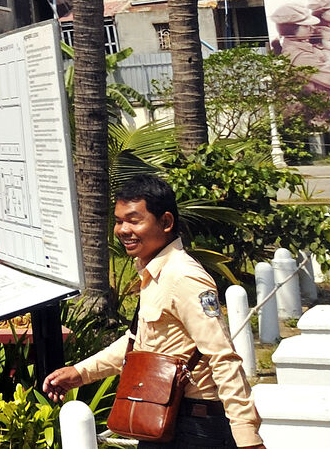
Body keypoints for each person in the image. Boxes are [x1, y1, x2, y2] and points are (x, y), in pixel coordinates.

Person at [44, 175, 263, 449]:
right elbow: (138, 343)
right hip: (162, 423)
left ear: (166, 222)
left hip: (196, 429)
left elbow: (223, 357)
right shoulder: (153, 273)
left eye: (134, 220)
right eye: (119, 220)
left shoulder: (183, 277)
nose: (123, 230)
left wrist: (247, 437)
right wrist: (80, 372)